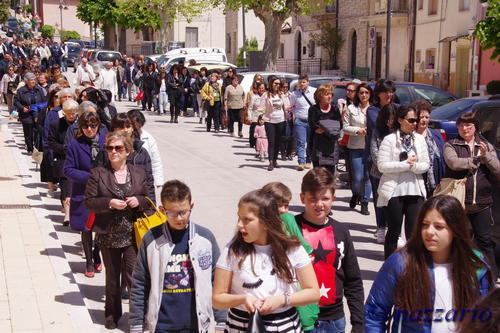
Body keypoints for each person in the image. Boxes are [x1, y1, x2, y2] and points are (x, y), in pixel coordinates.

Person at [364, 195, 495, 332]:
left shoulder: (476, 265)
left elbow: (486, 317)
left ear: (455, 230)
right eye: (424, 225)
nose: (429, 232)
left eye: (439, 227)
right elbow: (374, 313)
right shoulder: (401, 263)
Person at [213, 189, 320, 332]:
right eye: (239, 218)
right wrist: (243, 299)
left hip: (285, 325)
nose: (239, 224)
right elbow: (217, 299)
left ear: (265, 222)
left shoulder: (292, 249)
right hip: (241, 326)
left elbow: (313, 292)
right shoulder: (233, 250)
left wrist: (283, 300)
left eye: (247, 219)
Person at [130, 180, 228, 332]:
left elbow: (218, 280)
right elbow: (140, 283)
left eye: (184, 212)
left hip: (196, 324)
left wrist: (221, 320)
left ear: (191, 206)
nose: (180, 218)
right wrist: (136, 323)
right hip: (161, 325)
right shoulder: (151, 239)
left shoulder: (205, 238)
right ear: (162, 210)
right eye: (173, 213)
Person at [84, 131, 150, 329]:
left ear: (127, 151)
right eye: (110, 148)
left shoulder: (138, 173)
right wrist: (109, 203)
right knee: (112, 277)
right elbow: (89, 202)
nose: (113, 152)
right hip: (109, 235)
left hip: (133, 234)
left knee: (134, 276)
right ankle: (112, 314)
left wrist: (138, 200)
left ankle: (138, 317)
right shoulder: (98, 173)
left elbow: (149, 199)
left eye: (118, 148)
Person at [295, 168, 364, 333]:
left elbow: (353, 280)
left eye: (325, 198)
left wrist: (358, 322)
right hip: (297, 317)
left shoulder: (341, 231)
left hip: (333, 321)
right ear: (302, 198)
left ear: (333, 198)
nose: (319, 204)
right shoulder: (292, 229)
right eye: (313, 199)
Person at [443, 112, 500, 277]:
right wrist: (475, 160)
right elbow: (453, 163)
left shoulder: (486, 146)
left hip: (482, 203)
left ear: (475, 127)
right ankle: (455, 274)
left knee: (484, 241)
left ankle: (492, 276)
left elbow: (497, 169)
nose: (464, 129)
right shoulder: (451, 145)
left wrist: (486, 157)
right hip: (459, 201)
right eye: (461, 126)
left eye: (468, 125)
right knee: (458, 240)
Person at [377, 105, 429, 259]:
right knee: (393, 230)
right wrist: (405, 164)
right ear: (400, 120)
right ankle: (389, 267)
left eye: (416, 120)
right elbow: (382, 166)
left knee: (413, 232)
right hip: (394, 191)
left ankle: (412, 268)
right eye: (411, 120)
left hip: (415, 191)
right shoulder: (389, 139)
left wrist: (412, 166)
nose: (415, 123)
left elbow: (425, 165)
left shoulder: (419, 139)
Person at [63, 111, 104, 277]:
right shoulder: (75, 144)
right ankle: (88, 260)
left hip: (103, 192)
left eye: (93, 125)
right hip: (84, 192)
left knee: (102, 227)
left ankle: (96, 252)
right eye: (85, 126)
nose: (89, 129)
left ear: (98, 126)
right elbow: (68, 170)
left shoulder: (106, 141)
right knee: (86, 228)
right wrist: (90, 177)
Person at [107, 113, 156, 201]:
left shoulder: (141, 152)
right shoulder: (106, 152)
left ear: (132, 128)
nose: (125, 130)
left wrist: (150, 206)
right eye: (121, 127)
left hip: (137, 206)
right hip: (113, 206)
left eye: (128, 126)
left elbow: (149, 183)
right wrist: (109, 202)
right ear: (114, 129)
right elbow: (98, 183)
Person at [343, 83, 373, 215]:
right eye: (361, 93)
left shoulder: (374, 109)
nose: (364, 95)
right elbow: (345, 127)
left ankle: (365, 202)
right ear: (358, 94)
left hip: (371, 147)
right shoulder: (351, 108)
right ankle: (356, 194)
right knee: (357, 177)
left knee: (367, 177)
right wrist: (358, 130)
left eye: (366, 92)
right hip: (355, 146)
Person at [47, 100, 79, 226]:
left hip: (78, 160)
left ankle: (74, 211)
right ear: (64, 113)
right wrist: (64, 149)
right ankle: (67, 214)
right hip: (63, 158)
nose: (71, 115)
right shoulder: (56, 124)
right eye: (68, 113)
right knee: (66, 186)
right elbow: (51, 142)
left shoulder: (82, 124)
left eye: (73, 113)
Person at [369, 104, 397, 244]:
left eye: (393, 119)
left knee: (392, 203)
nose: (390, 122)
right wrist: (384, 166)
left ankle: (392, 229)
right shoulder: (377, 131)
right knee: (380, 202)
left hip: (395, 173)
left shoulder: (400, 132)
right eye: (388, 119)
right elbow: (374, 152)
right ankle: (381, 228)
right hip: (378, 173)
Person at [412, 99, 446, 197]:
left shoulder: (436, 134)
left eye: (427, 117)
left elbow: (442, 157)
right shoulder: (410, 136)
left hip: (437, 182)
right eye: (421, 117)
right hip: (418, 182)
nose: (424, 120)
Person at [308, 84, 342, 175]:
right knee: (318, 175)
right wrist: (330, 128)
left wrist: (324, 127)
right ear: (319, 96)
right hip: (317, 146)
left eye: (331, 94)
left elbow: (339, 126)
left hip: (331, 146)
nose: (330, 96)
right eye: (327, 94)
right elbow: (314, 127)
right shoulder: (313, 109)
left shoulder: (335, 109)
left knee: (330, 175)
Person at [126, 109, 164, 191]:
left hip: (144, 178)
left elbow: (155, 159)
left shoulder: (148, 138)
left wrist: (158, 180)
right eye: (132, 124)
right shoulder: (123, 137)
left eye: (137, 124)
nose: (135, 127)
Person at [289, 74, 316, 171]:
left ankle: (308, 161)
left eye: (304, 82)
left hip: (311, 121)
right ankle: (301, 162)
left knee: (310, 142)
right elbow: (291, 107)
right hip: (300, 121)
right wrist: (295, 115)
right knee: (301, 142)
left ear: (308, 82)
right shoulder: (294, 94)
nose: (302, 84)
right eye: (300, 82)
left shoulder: (314, 91)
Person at [14, 72, 46, 153]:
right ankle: (29, 148)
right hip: (26, 113)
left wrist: (41, 108)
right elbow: (16, 101)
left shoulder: (39, 89)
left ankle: (36, 147)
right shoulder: (21, 91)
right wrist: (22, 108)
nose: (33, 81)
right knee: (28, 131)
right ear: (26, 81)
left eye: (34, 80)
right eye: (31, 80)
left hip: (37, 113)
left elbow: (44, 101)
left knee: (37, 130)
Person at [263, 76, 287, 171]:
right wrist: (260, 115)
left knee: (278, 141)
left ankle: (275, 160)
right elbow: (261, 107)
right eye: (275, 83)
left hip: (281, 120)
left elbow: (287, 106)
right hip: (270, 121)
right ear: (271, 84)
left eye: (278, 84)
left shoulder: (281, 95)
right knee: (271, 142)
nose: (277, 85)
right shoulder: (266, 95)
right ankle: (271, 162)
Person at [246, 81, 266, 152]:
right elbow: (250, 108)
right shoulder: (254, 97)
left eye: (263, 88)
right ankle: (257, 149)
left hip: (264, 119)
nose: (261, 89)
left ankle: (263, 149)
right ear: (257, 89)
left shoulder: (266, 96)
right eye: (260, 88)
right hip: (255, 118)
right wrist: (249, 118)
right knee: (255, 135)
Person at [280, 81, 295, 161]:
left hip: (290, 118)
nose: (285, 88)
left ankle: (289, 153)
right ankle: (283, 153)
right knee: (282, 137)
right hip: (281, 118)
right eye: (283, 87)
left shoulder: (291, 95)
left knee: (290, 137)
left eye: (286, 87)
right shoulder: (279, 95)